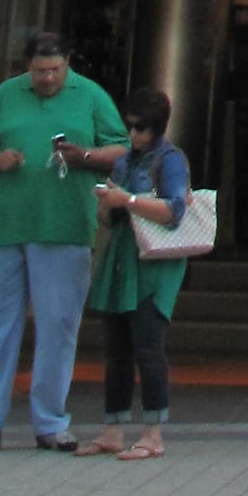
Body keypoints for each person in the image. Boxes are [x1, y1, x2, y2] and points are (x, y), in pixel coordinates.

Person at [0, 27, 123, 452]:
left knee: (59, 326)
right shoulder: (7, 94)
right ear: (26, 68)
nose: (47, 79)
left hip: (65, 226)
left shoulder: (90, 95)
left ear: (67, 63)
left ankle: (50, 421)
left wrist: (85, 156)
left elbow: (121, 149)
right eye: (38, 71)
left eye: (54, 70)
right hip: (6, 225)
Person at [84, 84, 190, 455]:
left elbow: (175, 211)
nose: (133, 135)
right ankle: (113, 429)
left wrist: (127, 200)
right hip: (121, 258)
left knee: (147, 346)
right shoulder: (126, 160)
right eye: (130, 127)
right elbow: (111, 214)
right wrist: (109, 204)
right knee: (116, 349)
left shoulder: (170, 159)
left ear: (157, 128)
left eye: (141, 128)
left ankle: (152, 433)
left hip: (152, 265)